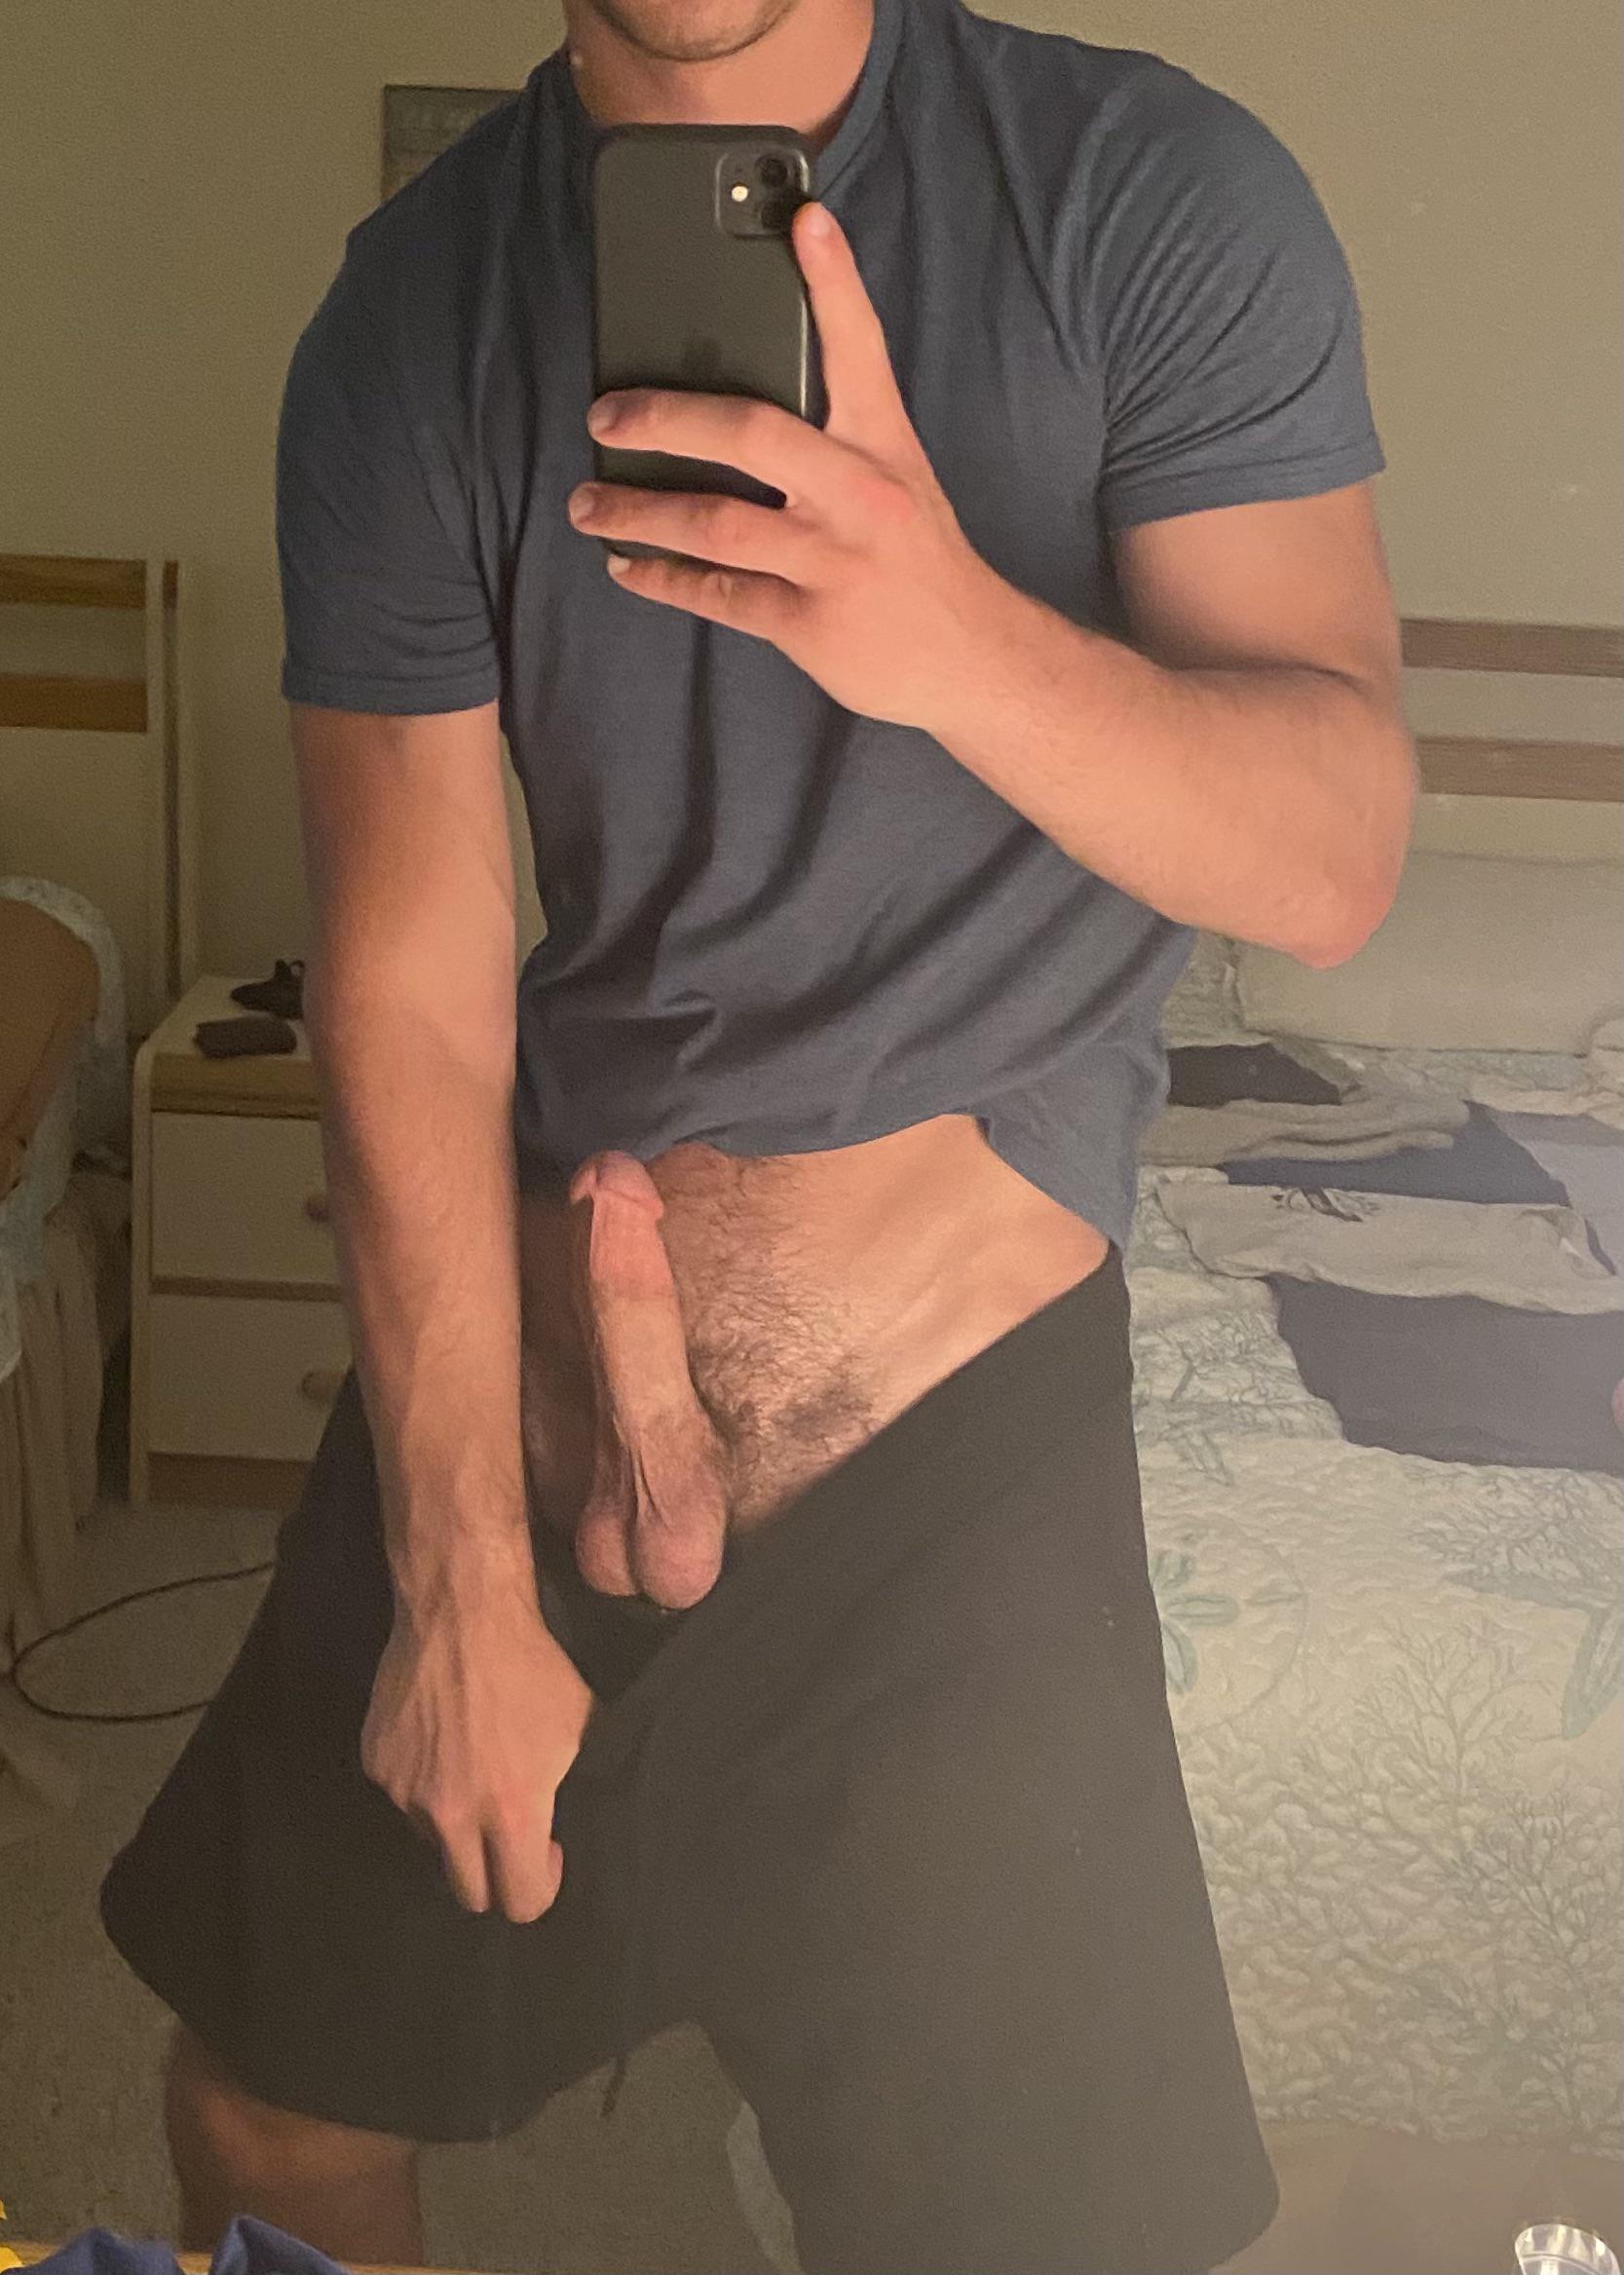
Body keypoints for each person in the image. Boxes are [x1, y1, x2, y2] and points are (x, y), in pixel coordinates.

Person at [100, 0, 1415, 2265]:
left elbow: (1331, 860)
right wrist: (454, 1577)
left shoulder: (1148, 197)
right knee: (266, 2118)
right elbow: (411, 970)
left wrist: (947, 634)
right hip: (531, 1390)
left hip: (952, 1457)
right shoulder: (412, 313)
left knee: (1034, 2242)